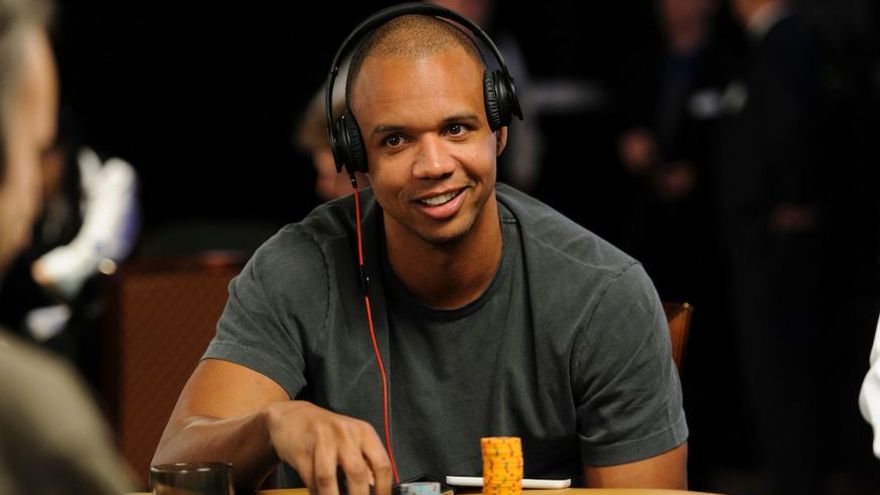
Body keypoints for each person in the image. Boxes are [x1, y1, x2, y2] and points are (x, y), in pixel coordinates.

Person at [153, 6, 688, 494]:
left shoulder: (604, 295)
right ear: (355, 159)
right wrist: (273, 425)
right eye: (395, 140)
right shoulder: (297, 268)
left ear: (498, 132)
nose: (433, 164)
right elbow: (174, 468)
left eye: (457, 128)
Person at [0, 0, 132, 492]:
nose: (32, 193)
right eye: (32, 150)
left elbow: (99, 251)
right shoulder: (35, 412)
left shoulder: (109, 178)